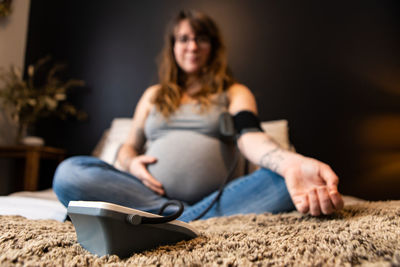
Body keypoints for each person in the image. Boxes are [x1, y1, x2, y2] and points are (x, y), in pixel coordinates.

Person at [53, 10, 344, 222]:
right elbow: (130, 146)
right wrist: (130, 162)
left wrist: (290, 162)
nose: (192, 46)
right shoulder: (153, 95)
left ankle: (170, 221)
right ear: (173, 47)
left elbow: (250, 135)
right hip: (148, 196)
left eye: (201, 38)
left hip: (220, 200)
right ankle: (188, 220)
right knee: (69, 173)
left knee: (285, 181)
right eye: (184, 39)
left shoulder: (234, 92)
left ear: (213, 47)